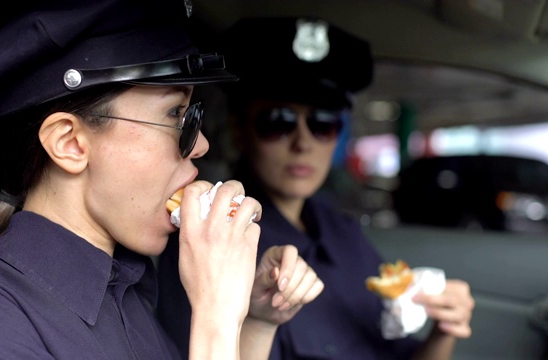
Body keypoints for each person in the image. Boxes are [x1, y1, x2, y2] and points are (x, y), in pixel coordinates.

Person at [0, 3, 325, 359]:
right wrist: (216, 313)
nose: (200, 144)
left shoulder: (127, 286)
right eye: (176, 117)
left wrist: (253, 321)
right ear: (70, 143)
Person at [157, 16, 475, 359]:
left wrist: (445, 329)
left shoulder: (345, 234)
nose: (303, 143)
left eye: (322, 124)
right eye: (279, 122)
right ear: (239, 130)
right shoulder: (209, 240)